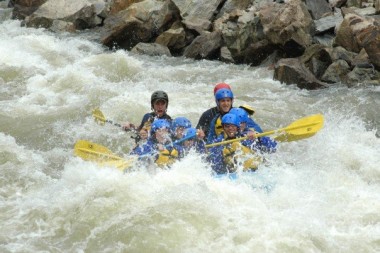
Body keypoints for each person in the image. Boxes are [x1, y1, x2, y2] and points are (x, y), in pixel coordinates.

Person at [208, 113, 277, 175]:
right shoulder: (219, 142)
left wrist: (258, 137)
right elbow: (214, 163)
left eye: (233, 126)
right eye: (227, 126)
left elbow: (273, 147)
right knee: (228, 150)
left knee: (236, 145)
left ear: (237, 127)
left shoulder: (246, 136)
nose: (230, 129)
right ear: (223, 127)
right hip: (233, 173)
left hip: (255, 171)